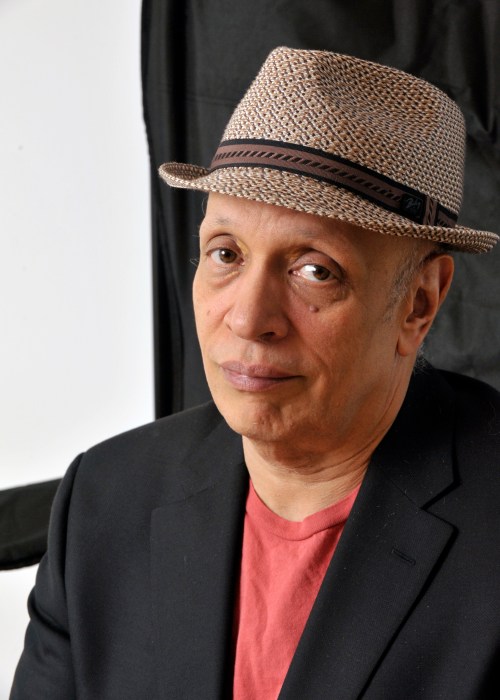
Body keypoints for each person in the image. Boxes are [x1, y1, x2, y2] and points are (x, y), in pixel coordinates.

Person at [11, 47, 500, 700]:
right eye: (225, 254)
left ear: (419, 303)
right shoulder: (105, 500)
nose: (247, 318)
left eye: (314, 270)